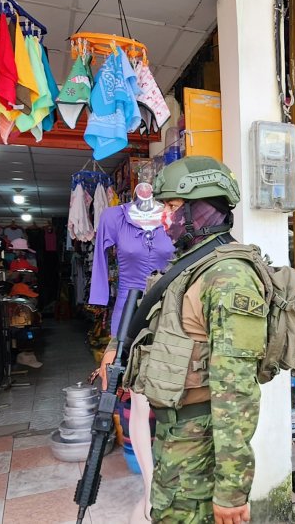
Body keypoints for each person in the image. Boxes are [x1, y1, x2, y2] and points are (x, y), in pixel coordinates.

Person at [123, 156, 266, 524]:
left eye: (172, 207)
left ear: (200, 210)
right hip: (177, 433)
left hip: (200, 441)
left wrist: (232, 491)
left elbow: (236, 392)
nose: (165, 218)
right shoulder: (188, 266)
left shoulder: (228, 276)